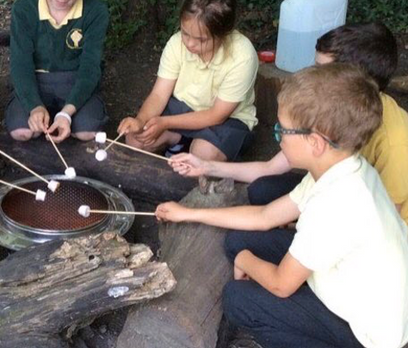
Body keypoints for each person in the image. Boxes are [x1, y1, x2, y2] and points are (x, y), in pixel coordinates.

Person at [156, 63, 408, 348]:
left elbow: (280, 283)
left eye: (282, 131)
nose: (278, 138)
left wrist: (245, 261)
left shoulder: (336, 205)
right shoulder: (341, 168)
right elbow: (266, 216)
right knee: (239, 240)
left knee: (238, 299)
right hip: (351, 288)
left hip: (367, 335)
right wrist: (188, 213)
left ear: (315, 142)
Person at [170, 22, 408, 224]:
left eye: (321, 70)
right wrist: (206, 166)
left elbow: (385, 225)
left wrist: (304, 229)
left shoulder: (396, 144)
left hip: (368, 224)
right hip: (334, 195)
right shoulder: (329, 109)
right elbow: (270, 169)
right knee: (261, 190)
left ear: (353, 80)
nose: (312, 74)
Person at [118, 0, 258, 162]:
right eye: (185, 33)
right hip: (182, 107)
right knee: (135, 140)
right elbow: (160, 95)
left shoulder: (242, 55)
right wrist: (141, 119)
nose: (190, 44)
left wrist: (166, 123)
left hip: (227, 120)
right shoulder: (176, 44)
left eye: (201, 39)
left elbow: (217, 115)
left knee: (203, 155)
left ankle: (186, 142)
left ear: (223, 34)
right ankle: (179, 139)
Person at [5, 0, 109, 143]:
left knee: (87, 133)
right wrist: (34, 105)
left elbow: (90, 68)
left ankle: (67, 116)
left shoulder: (96, 11)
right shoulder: (23, 9)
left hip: (75, 80)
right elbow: (20, 64)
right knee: (22, 132)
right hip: (37, 80)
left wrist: (65, 114)